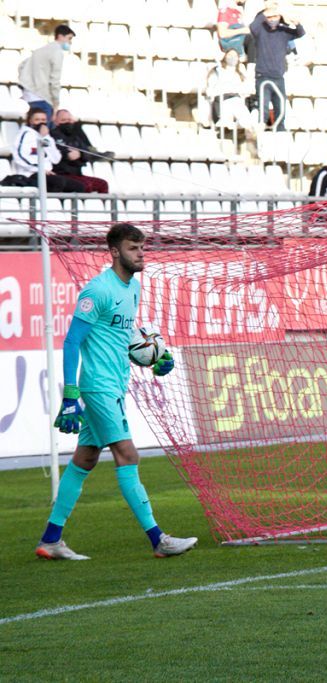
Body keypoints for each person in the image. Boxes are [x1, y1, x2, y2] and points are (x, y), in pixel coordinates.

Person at [37, 223, 197, 560]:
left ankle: (51, 539)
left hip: (114, 383)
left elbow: (121, 339)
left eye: (142, 248)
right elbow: (71, 342)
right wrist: (70, 395)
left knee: (85, 458)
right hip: (98, 387)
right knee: (128, 454)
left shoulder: (133, 288)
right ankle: (159, 540)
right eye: (132, 249)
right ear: (114, 252)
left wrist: (153, 360)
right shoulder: (97, 291)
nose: (140, 254)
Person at [249, 4, 305, 132]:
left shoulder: (283, 31)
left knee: (281, 108)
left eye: (275, 16)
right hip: (263, 76)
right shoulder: (261, 31)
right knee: (263, 109)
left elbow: (300, 33)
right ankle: (260, 132)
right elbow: (252, 27)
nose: (272, 19)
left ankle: (280, 132)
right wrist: (266, 11)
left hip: (279, 77)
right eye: (270, 17)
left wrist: (297, 23)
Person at [3, 107, 85, 192]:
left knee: (79, 186)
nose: (41, 122)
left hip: (48, 174)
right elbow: (19, 156)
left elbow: (56, 159)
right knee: (58, 183)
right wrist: (40, 169)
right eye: (37, 120)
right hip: (30, 174)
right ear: (30, 121)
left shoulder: (46, 136)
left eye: (43, 119)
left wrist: (45, 138)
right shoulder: (25, 134)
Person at [18, 24, 76, 124]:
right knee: (44, 130)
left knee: (34, 126)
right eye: (69, 38)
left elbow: (21, 66)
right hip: (42, 96)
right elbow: (54, 80)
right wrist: (56, 103)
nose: (70, 42)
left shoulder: (41, 50)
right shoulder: (57, 52)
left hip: (30, 93)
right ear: (60, 36)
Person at [51, 109, 110, 194]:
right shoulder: (53, 136)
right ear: (56, 122)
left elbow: (86, 153)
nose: (68, 123)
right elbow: (65, 155)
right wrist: (67, 155)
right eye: (64, 120)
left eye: (70, 120)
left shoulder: (76, 136)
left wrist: (80, 154)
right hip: (61, 174)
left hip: (77, 173)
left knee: (103, 184)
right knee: (86, 185)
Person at [204, 49, 256, 134]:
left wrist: (235, 90)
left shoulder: (240, 73)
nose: (232, 58)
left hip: (237, 100)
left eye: (235, 56)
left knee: (246, 119)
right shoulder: (217, 71)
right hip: (222, 100)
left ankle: (251, 137)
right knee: (227, 118)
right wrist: (225, 89)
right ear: (225, 57)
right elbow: (210, 90)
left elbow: (245, 89)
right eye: (230, 55)